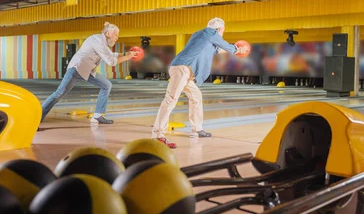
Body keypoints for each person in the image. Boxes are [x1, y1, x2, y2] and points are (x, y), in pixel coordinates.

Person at [151, 17, 247, 148]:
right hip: (182, 69)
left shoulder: (203, 37)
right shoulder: (210, 33)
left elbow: (219, 49)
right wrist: (237, 49)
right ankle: (158, 135)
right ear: (218, 29)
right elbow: (225, 45)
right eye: (223, 31)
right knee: (170, 99)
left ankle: (197, 128)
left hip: (187, 73)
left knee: (196, 97)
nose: (222, 33)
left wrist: (235, 49)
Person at [41, 22, 138, 124]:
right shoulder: (98, 40)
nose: (117, 38)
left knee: (106, 85)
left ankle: (97, 116)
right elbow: (111, 61)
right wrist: (128, 57)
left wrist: (125, 54)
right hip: (76, 69)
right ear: (108, 33)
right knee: (59, 94)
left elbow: (111, 54)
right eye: (116, 35)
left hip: (87, 71)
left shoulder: (102, 43)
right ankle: (38, 117)